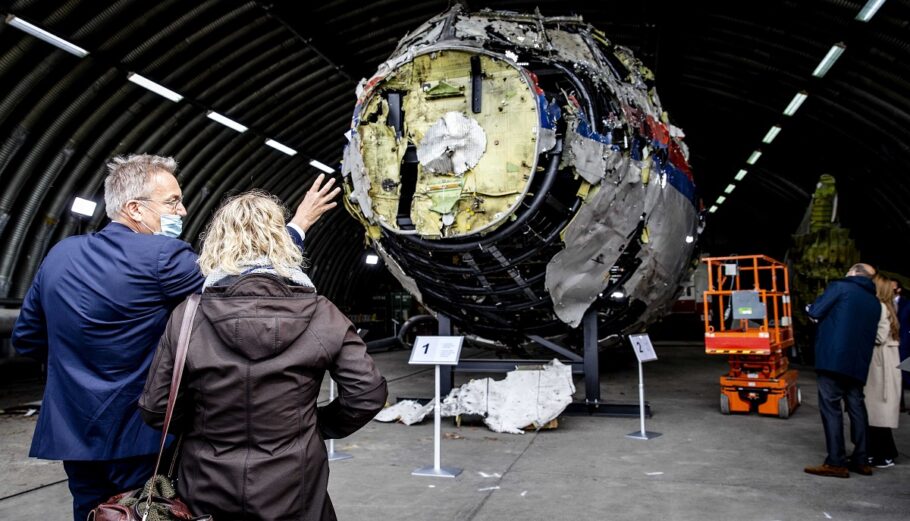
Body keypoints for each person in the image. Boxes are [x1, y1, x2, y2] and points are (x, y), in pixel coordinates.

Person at [11, 154, 340, 521]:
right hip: (144, 432)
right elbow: (243, 287)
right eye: (171, 202)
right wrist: (297, 227)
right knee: (150, 511)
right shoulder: (162, 256)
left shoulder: (60, 254)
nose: (182, 211)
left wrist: (79, 365)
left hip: (72, 429)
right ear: (135, 208)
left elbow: (27, 338)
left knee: (94, 514)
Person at [139, 191, 387, 520]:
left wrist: (205, 426)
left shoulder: (188, 316)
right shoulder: (321, 313)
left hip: (206, 480)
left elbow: (156, 407)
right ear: (281, 241)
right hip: (294, 481)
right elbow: (367, 393)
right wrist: (316, 427)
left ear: (217, 243)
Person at [804, 263, 881, 478]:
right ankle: (861, 459)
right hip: (858, 363)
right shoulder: (875, 303)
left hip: (833, 358)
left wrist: (809, 309)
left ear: (855, 272)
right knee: (857, 407)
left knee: (831, 407)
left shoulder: (840, 287)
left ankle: (836, 461)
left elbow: (817, 311)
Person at [864, 275, 902, 467]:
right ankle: (880, 451)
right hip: (887, 360)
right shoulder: (890, 307)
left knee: (876, 409)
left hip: (881, 362)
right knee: (879, 410)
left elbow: (878, 336)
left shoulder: (880, 307)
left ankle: (883, 454)